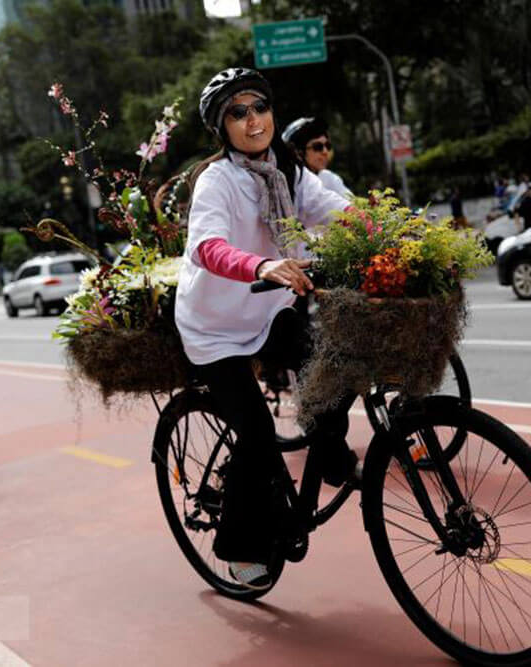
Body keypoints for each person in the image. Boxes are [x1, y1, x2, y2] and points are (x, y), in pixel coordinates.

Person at [176, 68, 357, 590]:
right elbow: (206, 246)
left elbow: (333, 209)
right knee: (256, 437)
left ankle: (330, 458)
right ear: (222, 128)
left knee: (334, 372)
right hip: (215, 330)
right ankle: (237, 546)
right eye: (238, 112)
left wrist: (394, 231)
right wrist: (260, 266)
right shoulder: (217, 181)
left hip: (268, 313)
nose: (252, 120)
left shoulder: (291, 172)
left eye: (258, 107)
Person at [281, 117, 353, 198]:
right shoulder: (282, 183)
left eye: (328, 146)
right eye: (318, 147)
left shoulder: (329, 178)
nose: (325, 152)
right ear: (298, 152)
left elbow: (354, 205)